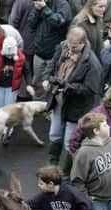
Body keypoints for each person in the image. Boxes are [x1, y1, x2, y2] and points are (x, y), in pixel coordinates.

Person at [42, 27, 102, 168]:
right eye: (69, 44)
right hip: (59, 102)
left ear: (83, 43)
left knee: (70, 142)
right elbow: (52, 65)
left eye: (74, 46)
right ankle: (52, 164)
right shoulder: (63, 46)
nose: (70, 48)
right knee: (55, 134)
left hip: (76, 107)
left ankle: (67, 172)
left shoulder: (92, 63)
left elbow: (90, 89)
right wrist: (46, 78)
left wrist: (68, 87)